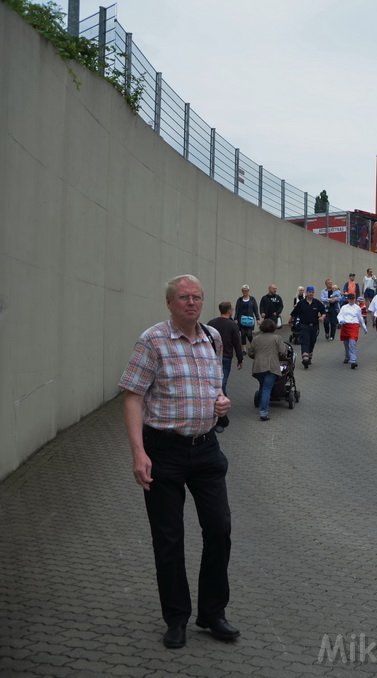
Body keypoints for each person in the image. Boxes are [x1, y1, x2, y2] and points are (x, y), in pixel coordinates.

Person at [118, 274, 238, 649]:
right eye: (184, 297)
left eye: (197, 297)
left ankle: (212, 612)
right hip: (164, 451)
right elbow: (133, 396)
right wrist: (139, 452)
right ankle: (176, 618)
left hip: (205, 450)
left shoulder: (213, 339)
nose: (191, 302)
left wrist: (221, 403)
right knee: (169, 539)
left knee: (219, 530)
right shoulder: (152, 340)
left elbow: (212, 387)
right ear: (170, 303)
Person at [247, 318, 288, 421]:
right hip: (271, 366)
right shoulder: (277, 338)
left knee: (262, 385)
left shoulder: (256, 338)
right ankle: (263, 412)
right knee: (266, 388)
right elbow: (283, 352)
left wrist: (256, 357)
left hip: (258, 367)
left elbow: (251, 352)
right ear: (273, 327)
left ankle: (261, 404)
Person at [207, 302, 243, 395]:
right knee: (223, 377)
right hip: (226, 355)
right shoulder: (232, 325)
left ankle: (215, 395)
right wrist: (240, 359)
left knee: (212, 376)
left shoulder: (211, 323)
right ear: (229, 311)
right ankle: (220, 396)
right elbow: (237, 343)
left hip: (212, 355)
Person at [289, 286, 325, 368]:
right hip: (304, 325)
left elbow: (323, 311)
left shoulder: (317, 302)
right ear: (307, 292)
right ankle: (305, 358)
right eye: (309, 292)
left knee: (312, 341)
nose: (311, 293)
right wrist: (290, 321)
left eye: (312, 292)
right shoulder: (301, 303)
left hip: (314, 326)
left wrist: (322, 317)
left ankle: (309, 356)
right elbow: (294, 313)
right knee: (305, 341)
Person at [337, 293, 367, 369]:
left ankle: (353, 360)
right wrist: (341, 320)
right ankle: (347, 357)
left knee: (352, 344)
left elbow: (360, 318)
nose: (352, 300)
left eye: (353, 299)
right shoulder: (344, 307)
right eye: (350, 299)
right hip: (345, 325)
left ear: (355, 299)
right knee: (346, 344)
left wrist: (364, 327)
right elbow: (339, 315)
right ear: (348, 299)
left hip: (354, 326)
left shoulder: (357, 308)